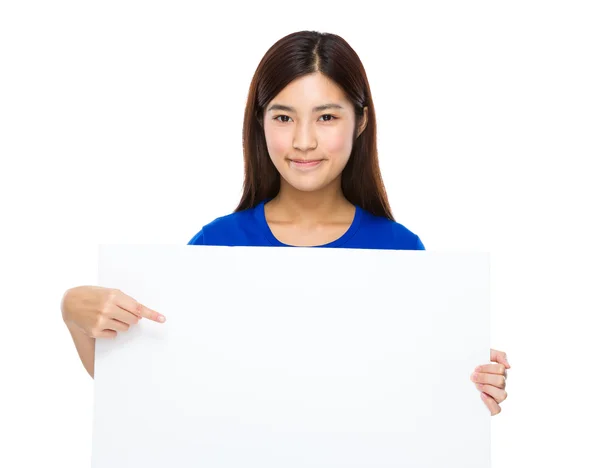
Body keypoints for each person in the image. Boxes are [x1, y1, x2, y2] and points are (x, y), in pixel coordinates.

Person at [61, 30, 510, 415]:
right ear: (260, 123)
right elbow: (154, 389)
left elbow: (413, 395)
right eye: (283, 117)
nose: (303, 141)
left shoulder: (400, 251)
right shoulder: (216, 245)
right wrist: (75, 315)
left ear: (360, 123)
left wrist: (469, 385)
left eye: (327, 117)